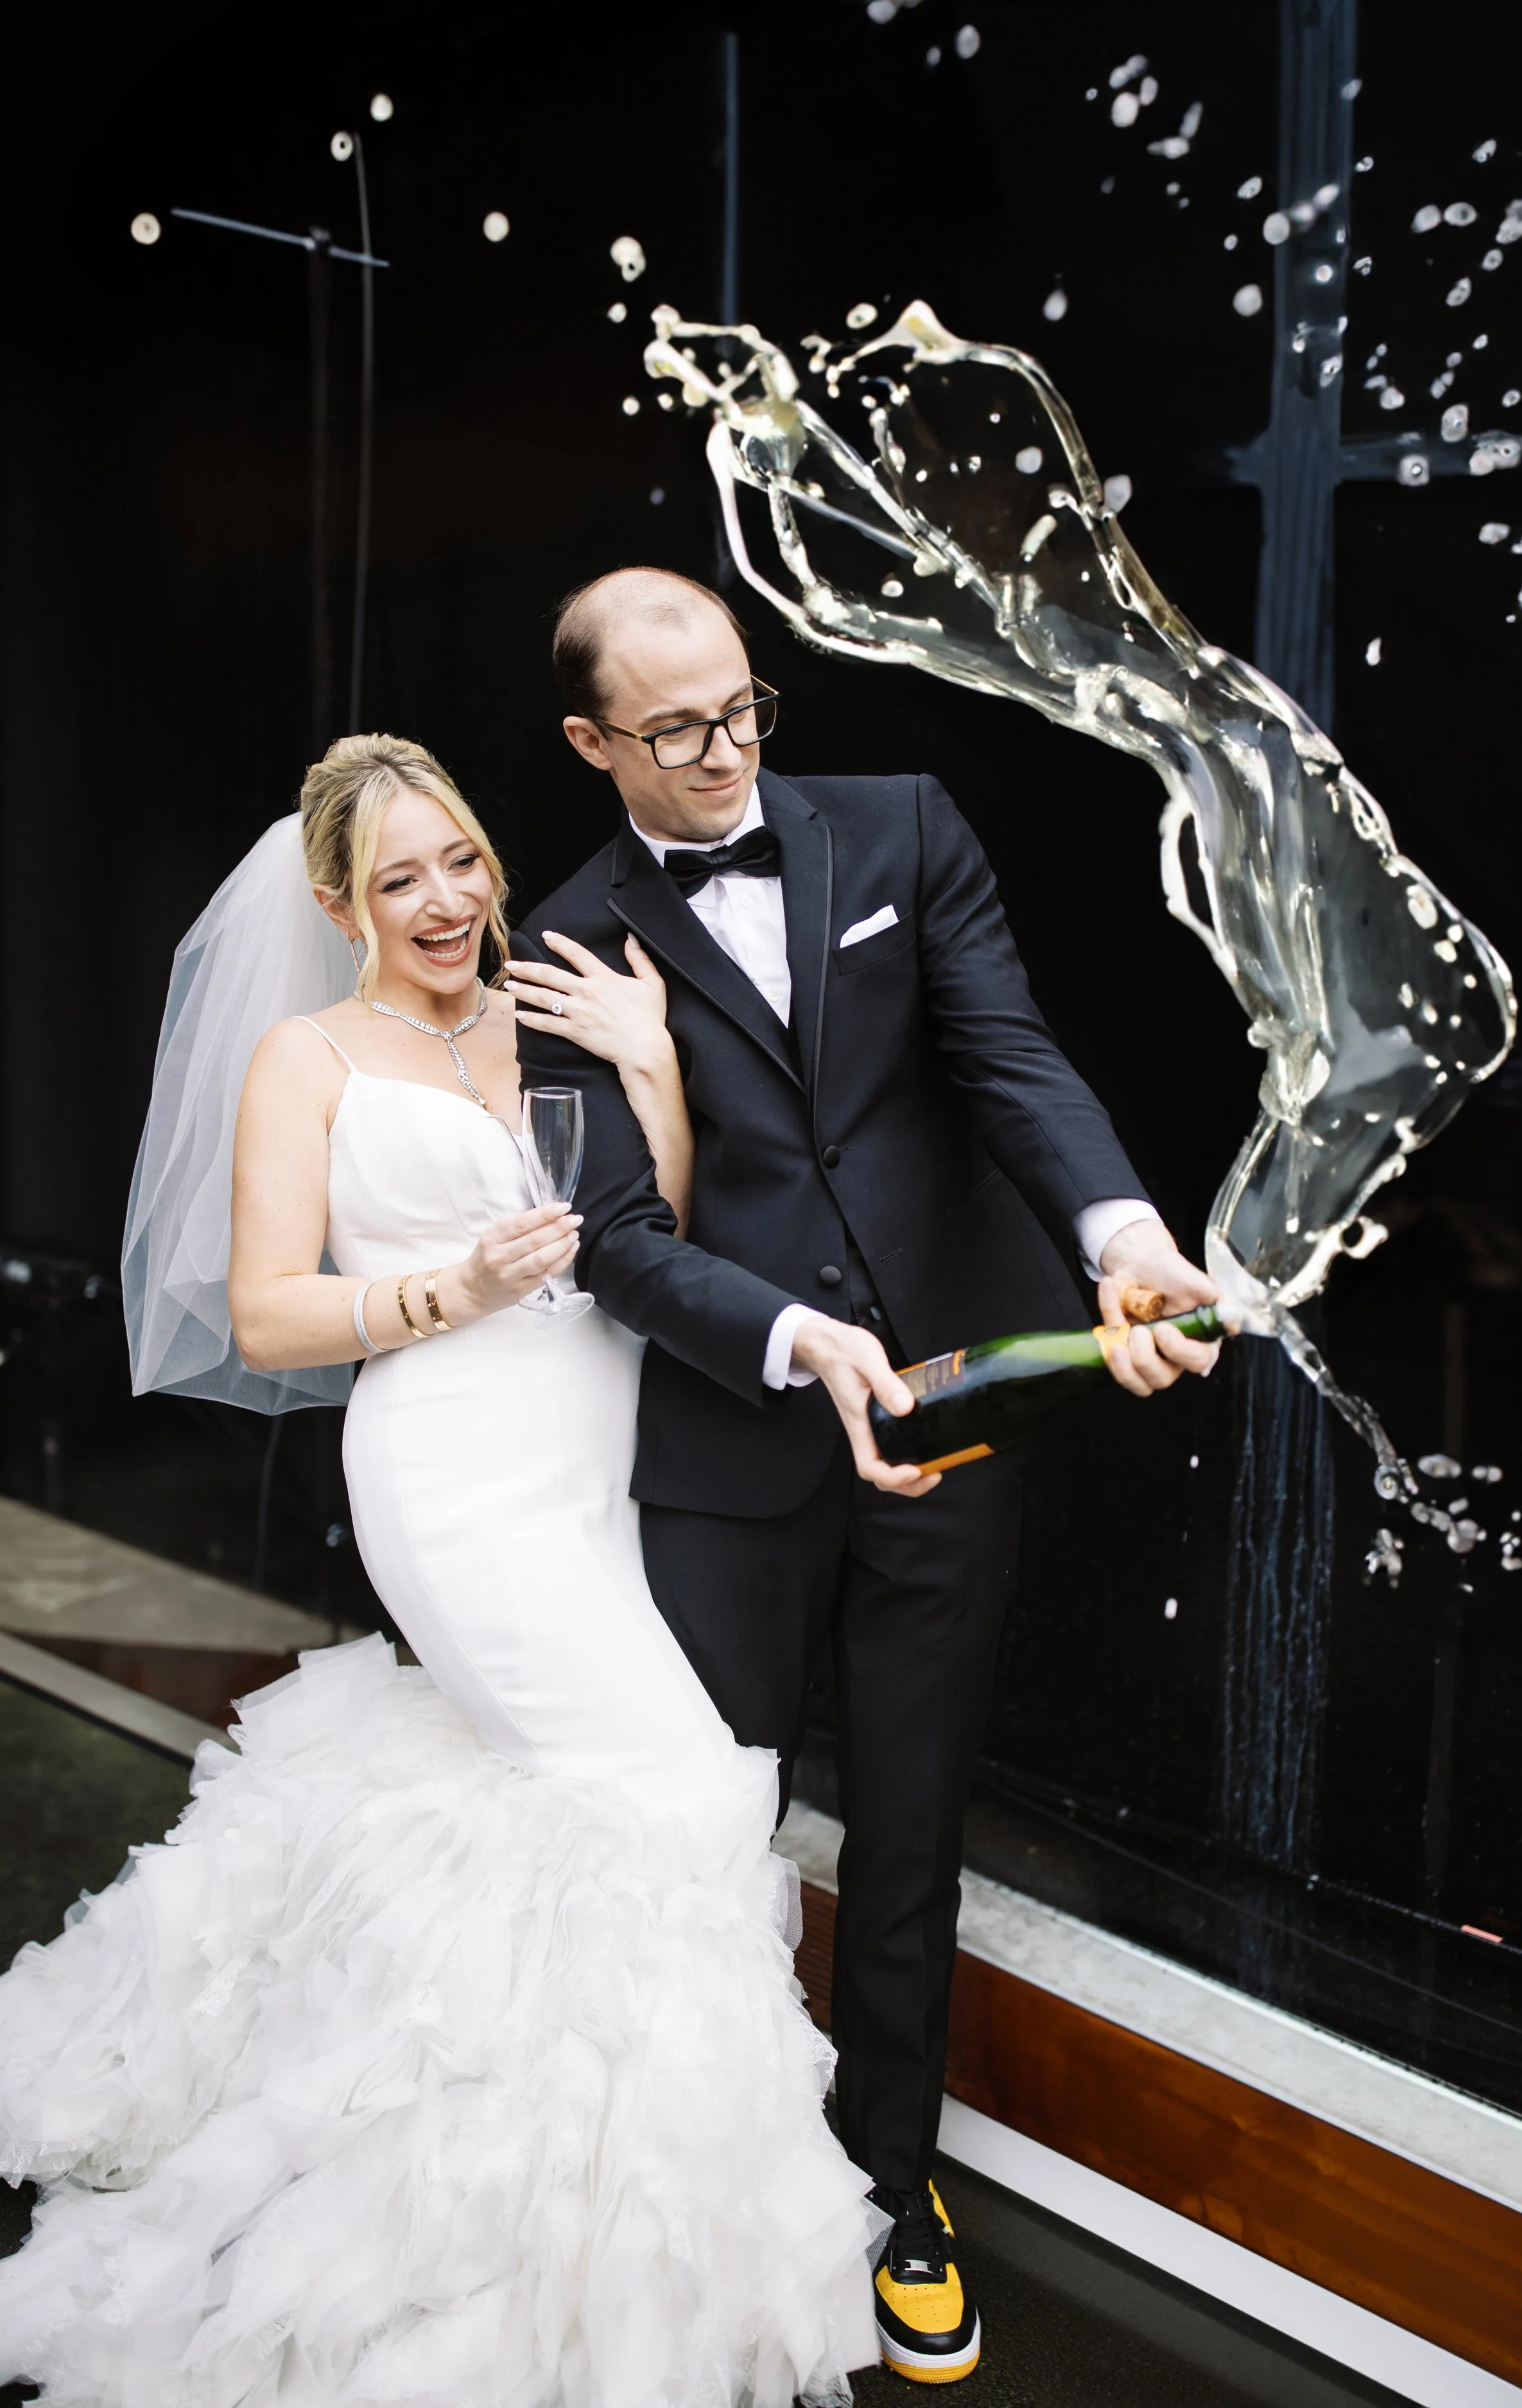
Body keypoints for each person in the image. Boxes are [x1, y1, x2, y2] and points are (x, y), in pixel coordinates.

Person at [0, 735, 881, 2407]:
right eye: (399, 876)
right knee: (673, 1789)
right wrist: (446, 1293)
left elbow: (641, 1247)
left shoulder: (544, 1023)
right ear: (340, 899)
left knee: (553, 1806)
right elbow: (266, 1308)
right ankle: (571, 2229)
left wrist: (656, 1075)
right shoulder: (306, 1055)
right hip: (451, 1468)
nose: (446, 899)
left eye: (460, 860)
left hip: (590, 1458)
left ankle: (470, 2125)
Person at [510, 566, 1220, 2386]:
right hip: (729, 1454)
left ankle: (891, 2183)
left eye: (746, 708)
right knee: (707, 1842)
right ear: (593, 741)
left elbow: (1006, 1055)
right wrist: (781, 1335)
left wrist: (1119, 1232)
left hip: (948, 1422)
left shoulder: (900, 826)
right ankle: (704, 2186)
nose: (728, 752)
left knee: (908, 1829)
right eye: (677, 733)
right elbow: (600, 1237)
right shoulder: (565, 937)